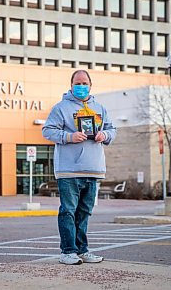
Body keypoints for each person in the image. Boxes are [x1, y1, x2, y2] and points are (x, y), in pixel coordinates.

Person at [42, 70, 117, 265]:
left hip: (93, 169)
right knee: (68, 210)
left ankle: (82, 250)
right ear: (71, 85)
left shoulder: (100, 108)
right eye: (77, 83)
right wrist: (69, 137)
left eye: (84, 83)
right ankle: (68, 251)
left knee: (84, 212)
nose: (81, 86)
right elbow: (47, 131)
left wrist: (105, 136)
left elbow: (111, 129)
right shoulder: (60, 108)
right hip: (69, 170)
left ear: (90, 85)